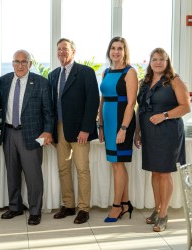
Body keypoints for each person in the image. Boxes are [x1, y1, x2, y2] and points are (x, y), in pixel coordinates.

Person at [135, 48, 190, 232]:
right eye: (154, 59)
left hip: (169, 132)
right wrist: (138, 131)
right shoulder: (146, 82)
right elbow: (140, 108)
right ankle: (157, 209)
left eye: (162, 59)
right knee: (155, 173)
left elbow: (185, 107)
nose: (158, 62)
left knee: (165, 173)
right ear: (150, 62)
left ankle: (164, 214)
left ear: (167, 62)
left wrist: (164, 115)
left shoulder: (175, 80)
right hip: (149, 133)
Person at [0, 50, 54, 225]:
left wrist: (48, 131)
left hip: (31, 135)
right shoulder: (5, 80)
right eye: (17, 61)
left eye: (24, 62)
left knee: (33, 175)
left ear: (30, 64)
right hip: (8, 133)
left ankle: (35, 210)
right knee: (12, 173)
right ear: (12, 63)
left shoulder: (41, 83)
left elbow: (49, 112)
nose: (20, 65)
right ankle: (15, 207)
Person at [49, 38, 99, 224]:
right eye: (59, 49)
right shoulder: (53, 75)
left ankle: (83, 208)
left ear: (73, 52)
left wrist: (86, 129)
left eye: (65, 49)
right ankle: (69, 205)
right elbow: (51, 105)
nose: (62, 52)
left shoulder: (86, 72)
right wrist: (51, 132)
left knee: (82, 169)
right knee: (63, 168)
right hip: (59, 128)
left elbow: (92, 102)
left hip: (80, 130)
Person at [98, 37, 138, 222]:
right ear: (109, 51)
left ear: (125, 51)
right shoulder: (106, 72)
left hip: (122, 121)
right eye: (113, 48)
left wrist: (123, 129)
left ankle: (116, 207)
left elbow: (131, 104)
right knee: (116, 164)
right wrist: (100, 126)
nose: (116, 51)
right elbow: (103, 99)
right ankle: (125, 203)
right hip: (108, 121)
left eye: (119, 48)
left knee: (118, 164)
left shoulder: (130, 72)